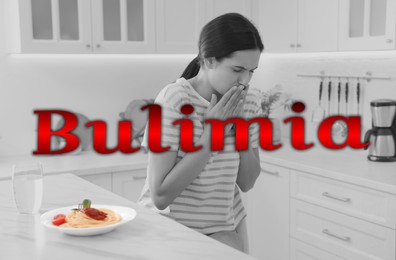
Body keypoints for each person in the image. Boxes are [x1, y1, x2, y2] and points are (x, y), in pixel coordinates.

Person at [138, 12, 263, 253]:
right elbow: (161, 195)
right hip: (169, 229)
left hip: (223, 228)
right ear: (208, 60)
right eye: (237, 69)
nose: (245, 81)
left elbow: (247, 182)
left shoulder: (249, 101)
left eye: (252, 71)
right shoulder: (173, 100)